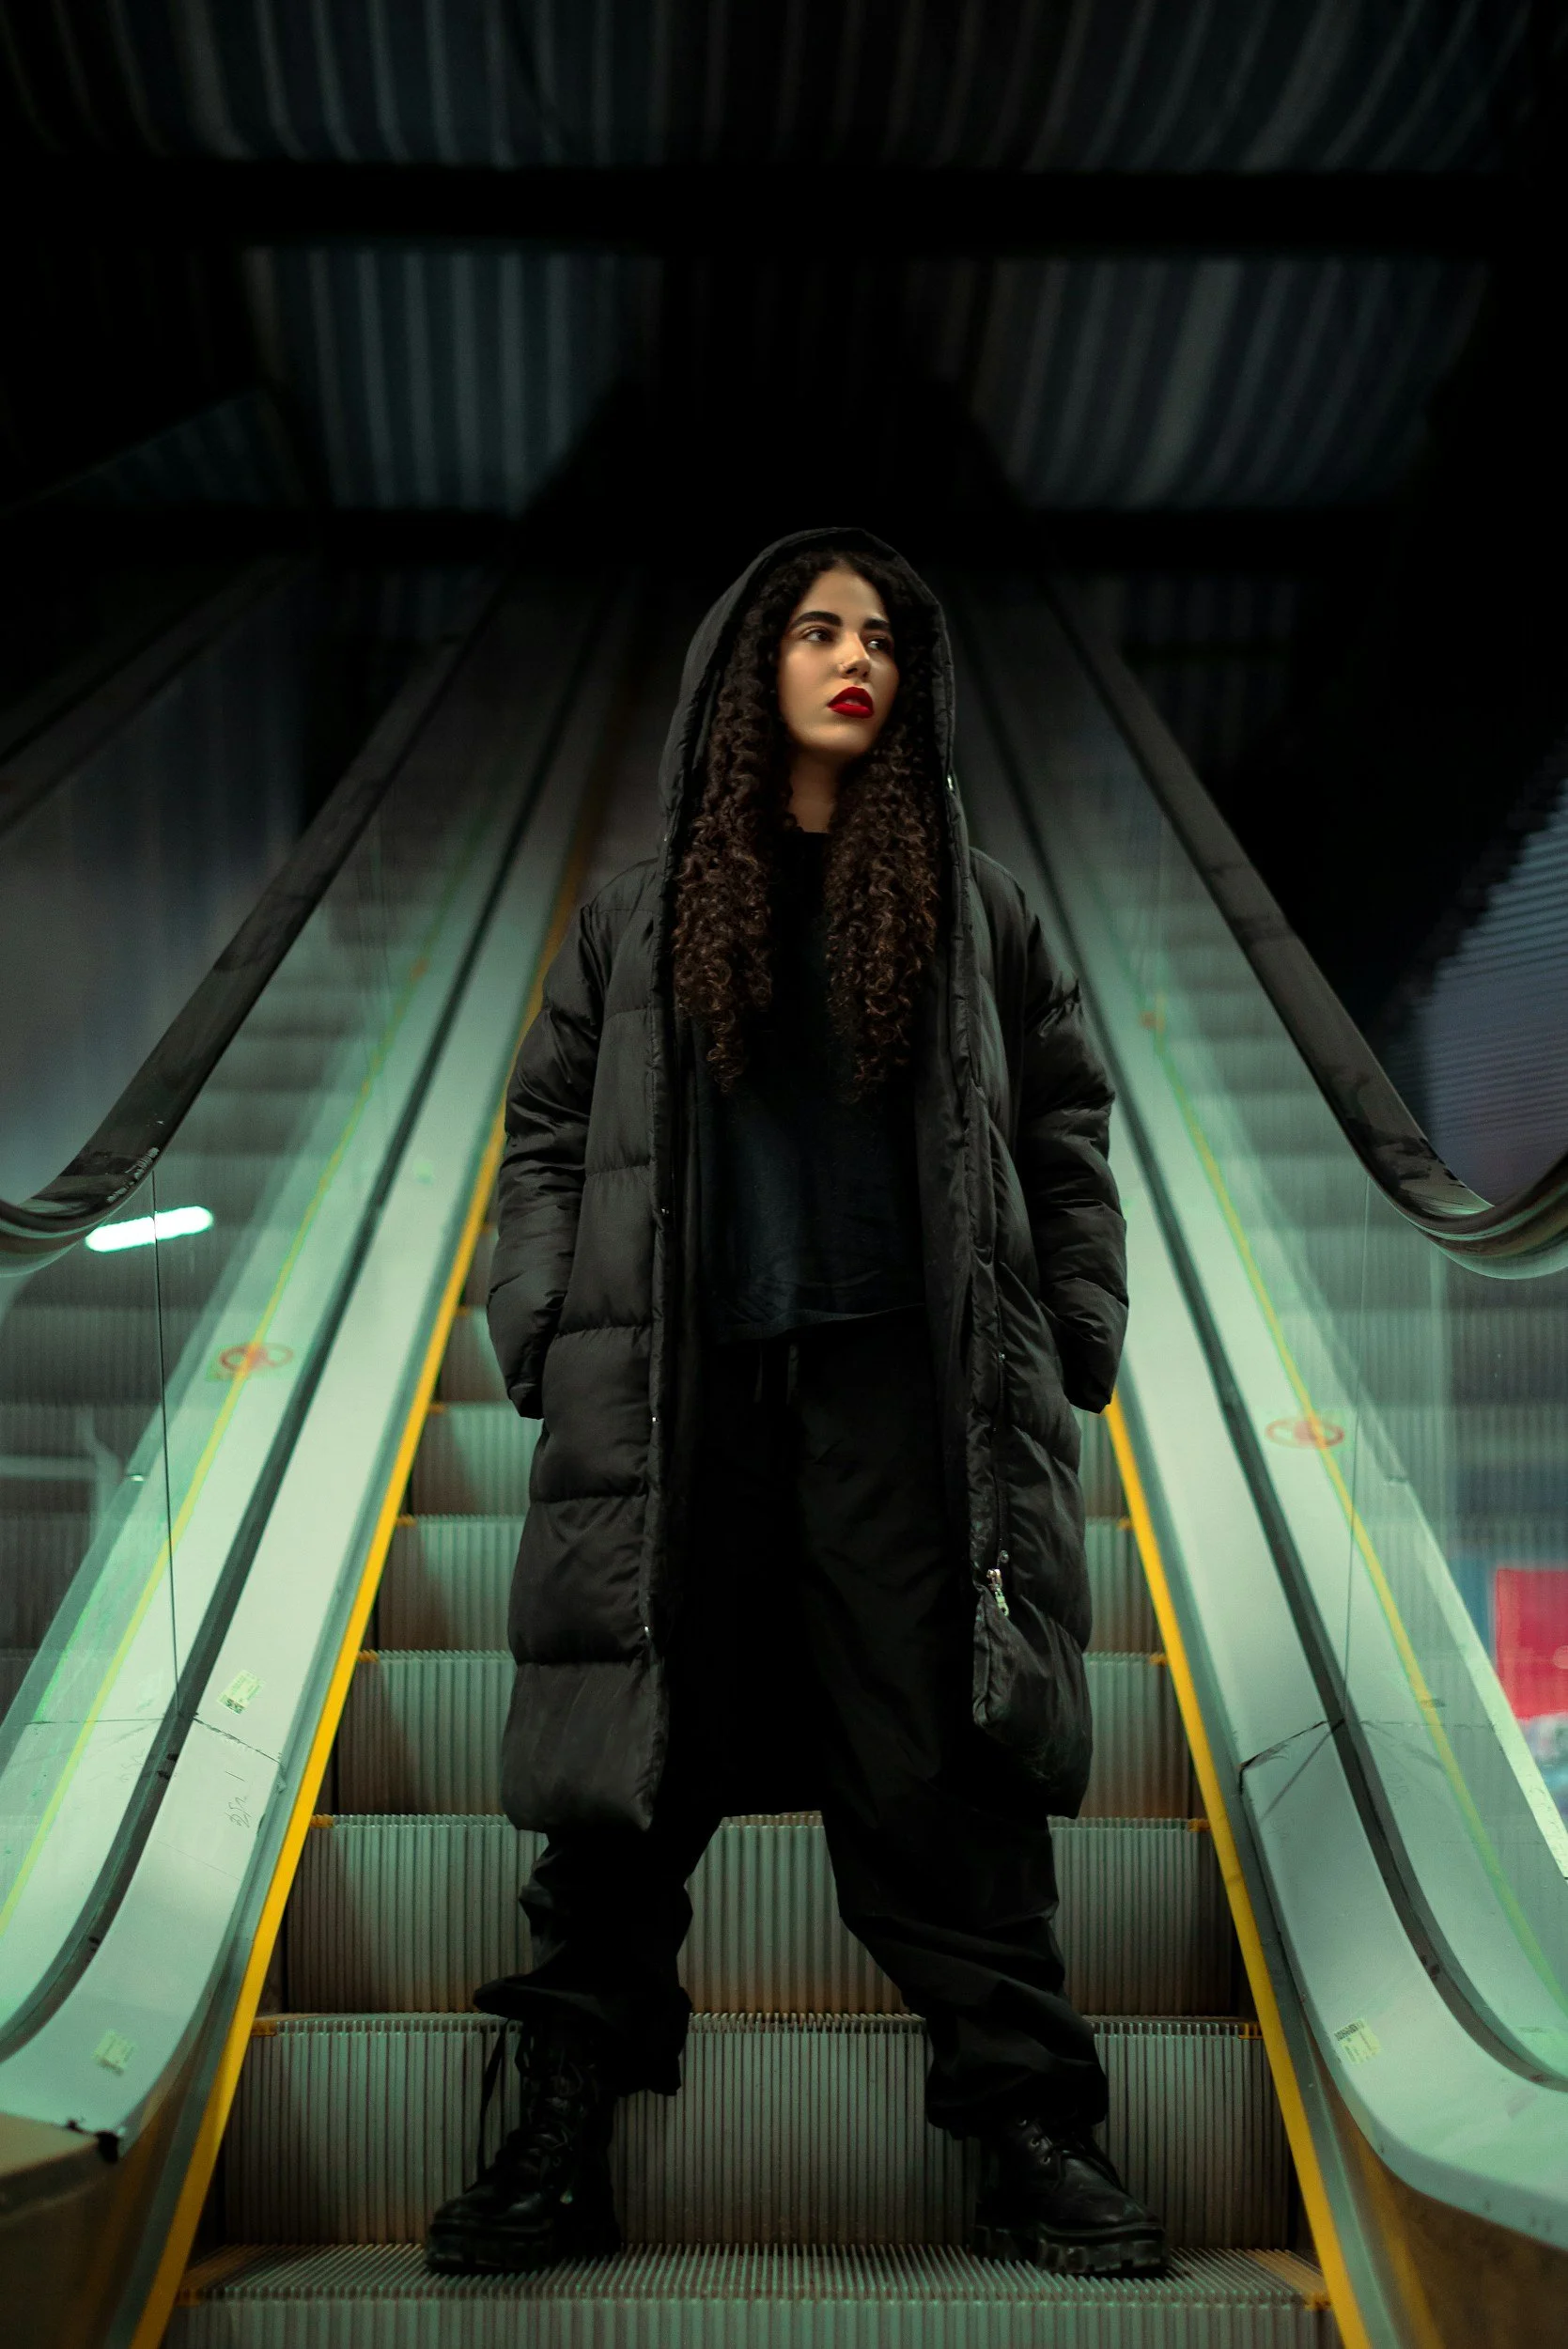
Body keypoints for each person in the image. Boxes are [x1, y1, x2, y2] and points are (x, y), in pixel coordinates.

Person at [425, 529, 1163, 2279]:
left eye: (885, 638)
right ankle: (556, 2136)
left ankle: (1027, 2132)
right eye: (818, 630)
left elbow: (1065, 1124)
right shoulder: (641, 909)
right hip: (679, 1398)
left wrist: (1069, 1328)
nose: (856, 659)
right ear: (744, 665)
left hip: (898, 1404)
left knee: (938, 1771)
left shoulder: (976, 905)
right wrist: (541, 1327)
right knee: (627, 1767)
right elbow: (543, 1139)